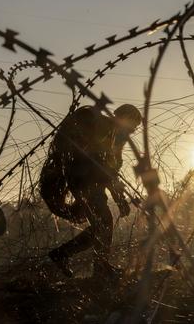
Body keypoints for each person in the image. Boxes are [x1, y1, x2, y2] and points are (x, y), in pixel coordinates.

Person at [46, 104, 141, 279]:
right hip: (84, 182)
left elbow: (110, 171)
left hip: (90, 183)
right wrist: (118, 196)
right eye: (131, 127)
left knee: (101, 225)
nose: (131, 133)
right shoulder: (103, 127)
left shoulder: (115, 137)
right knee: (103, 223)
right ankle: (98, 267)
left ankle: (67, 255)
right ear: (124, 119)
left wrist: (119, 197)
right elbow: (103, 166)